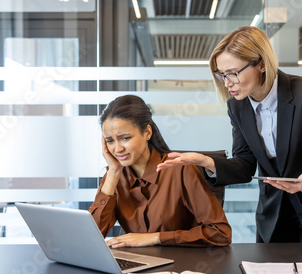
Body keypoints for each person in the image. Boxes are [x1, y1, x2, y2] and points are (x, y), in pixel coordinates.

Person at [157, 26, 302, 243]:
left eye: (233, 73)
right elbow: (245, 164)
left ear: (262, 64)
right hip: (273, 214)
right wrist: (208, 162)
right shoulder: (237, 106)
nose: (227, 83)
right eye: (222, 75)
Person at [88, 95, 232, 248]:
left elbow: (220, 233)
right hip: (134, 267)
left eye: (125, 138)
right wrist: (113, 173)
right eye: (110, 141)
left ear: (147, 133)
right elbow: (90, 237)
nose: (117, 149)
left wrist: (156, 237)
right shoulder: (114, 177)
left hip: (177, 265)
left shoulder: (181, 171)